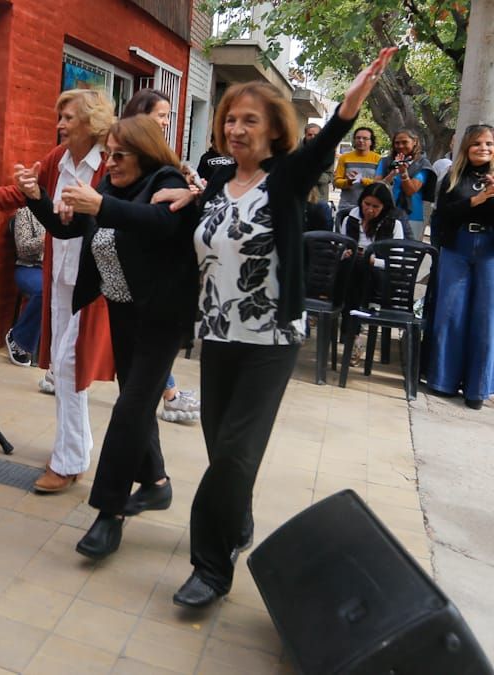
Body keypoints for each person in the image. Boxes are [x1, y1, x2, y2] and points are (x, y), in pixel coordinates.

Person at [153, 48, 397, 608]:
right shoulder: (216, 185)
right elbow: (211, 227)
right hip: (218, 336)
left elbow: (330, 137)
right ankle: (237, 520)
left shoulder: (284, 178)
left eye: (249, 120)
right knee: (223, 450)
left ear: (273, 132)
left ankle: (210, 569)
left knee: (235, 454)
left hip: (269, 340)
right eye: (230, 119)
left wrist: (354, 95)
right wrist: (187, 197)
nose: (236, 129)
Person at [20, 115, 198, 558]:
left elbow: (158, 222)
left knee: (129, 410)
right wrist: (37, 197)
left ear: (145, 152)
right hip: (122, 312)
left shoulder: (166, 180)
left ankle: (109, 512)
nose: (111, 162)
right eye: (109, 153)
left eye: (120, 155)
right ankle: (156, 483)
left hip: (161, 317)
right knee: (136, 407)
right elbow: (67, 228)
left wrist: (100, 205)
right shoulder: (112, 189)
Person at [0, 88, 117, 493]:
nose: (60, 125)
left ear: (91, 121)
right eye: (60, 117)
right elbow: (23, 196)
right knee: (64, 369)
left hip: (94, 284)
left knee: (70, 367)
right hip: (59, 278)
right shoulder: (58, 159)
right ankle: (78, 446)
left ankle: (68, 461)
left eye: (68, 117)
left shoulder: (108, 164)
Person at [121, 88, 202, 424]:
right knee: (133, 397)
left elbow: (163, 225)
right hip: (124, 288)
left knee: (134, 403)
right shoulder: (127, 167)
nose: (166, 123)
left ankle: (168, 394)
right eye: (162, 115)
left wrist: (195, 191)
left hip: (153, 291)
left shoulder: (165, 171)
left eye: (168, 116)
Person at [425, 123, 494, 409]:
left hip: (490, 250)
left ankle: (477, 389)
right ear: (466, 146)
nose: (484, 148)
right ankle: (444, 380)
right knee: (450, 314)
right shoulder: (453, 176)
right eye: (477, 143)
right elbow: (442, 217)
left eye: (489, 144)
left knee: (486, 319)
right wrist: (475, 200)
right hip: (458, 246)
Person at [336, 182, 407, 363]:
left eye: (375, 207)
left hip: (379, 277)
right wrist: (345, 253)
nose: (369, 210)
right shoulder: (350, 219)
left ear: (384, 207)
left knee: (359, 269)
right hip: (352, 273)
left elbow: (396, 261)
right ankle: (354, 335)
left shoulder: (393, 225)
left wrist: (374, 260)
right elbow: (340, 247)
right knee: (353, 268)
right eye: (366, 204)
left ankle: (352, 334)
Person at [377, 128, 432, 241]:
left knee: (408, 253)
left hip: (412, 216)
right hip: (385, 213)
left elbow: (410, 190)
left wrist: (403, 173)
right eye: (397, 143)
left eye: (404, 142)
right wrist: (392, 174)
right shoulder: (386, 162)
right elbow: (376, 188)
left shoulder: (422, 164)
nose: (400, 146)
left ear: (414, 142)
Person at [6, 207, 45, 366]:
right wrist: (46, 239)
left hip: (60, 270)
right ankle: (19, 340)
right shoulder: (27, 213)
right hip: (31, 267)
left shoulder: (71, 213)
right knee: (44, 290)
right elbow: (22, 248)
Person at [333, 126, 382, 223]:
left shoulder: (378, 159)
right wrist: (348, 182)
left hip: (370, 208)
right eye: (358, 138)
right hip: (347, 206)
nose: (361, 140)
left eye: (365, 138)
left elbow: (380, 184)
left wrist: (362, 180)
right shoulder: (345, 158)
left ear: (371, 141)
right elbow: (336, 182)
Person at [304, 123, 335, 231]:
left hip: (319, 200)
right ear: (305, 135)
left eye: (316, 135)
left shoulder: (328, 153)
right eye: (310, 135)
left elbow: (328, 177)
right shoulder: (296, 151)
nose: (313, 137)